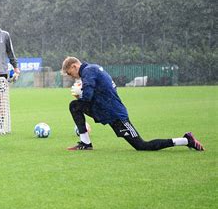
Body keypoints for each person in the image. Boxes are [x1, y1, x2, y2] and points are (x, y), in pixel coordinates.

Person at [61, 56, 205, 151]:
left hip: (116, 114)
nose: (70, 76)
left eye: (69, 73)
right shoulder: (93, 68)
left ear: (74, 66)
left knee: (142, 145)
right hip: (105, 109)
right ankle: (85, 143)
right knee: (75, 106)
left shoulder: (88, 71)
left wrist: (80, 93)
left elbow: (87, 96)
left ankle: (186, 140)